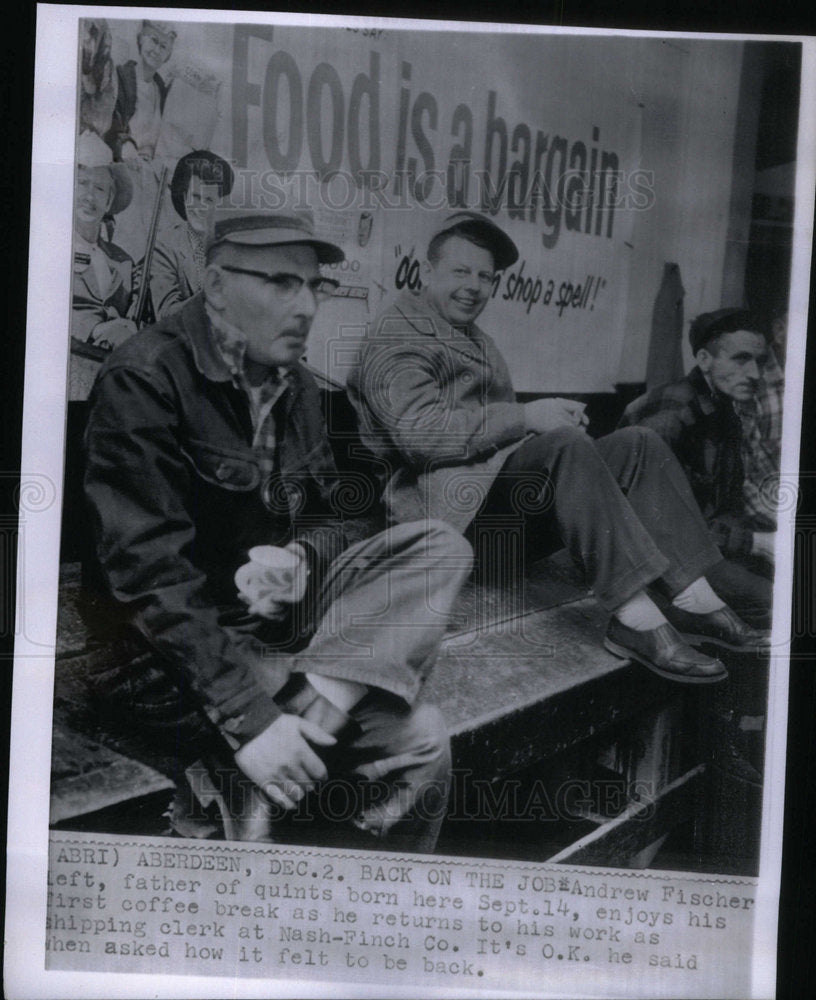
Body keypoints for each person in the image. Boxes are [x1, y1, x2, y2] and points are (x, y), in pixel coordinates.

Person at [82, 204, 472, 850]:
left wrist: (301, 556)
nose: (305, 305)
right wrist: (252, 721)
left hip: (271, 637)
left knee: (439, 546)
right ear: (214, 285)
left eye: (314, 285)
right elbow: (149, 580)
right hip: (156, 657)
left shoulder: (297, 387)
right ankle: (274, 741)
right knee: (422, 734)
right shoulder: (144, 380)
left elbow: (352, 513)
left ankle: (311, 713)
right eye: (280, 283)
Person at [346, 211, 769, 686]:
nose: (475, 286)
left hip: (497, 517)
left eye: (486, 276)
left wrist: (542, 429)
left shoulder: (476, 340)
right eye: (461, 272)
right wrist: (528, 418)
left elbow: (501, 444)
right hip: (444, 529)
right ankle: (637, 622)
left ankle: (694, 600)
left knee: (638, 443)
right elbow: (419, 435)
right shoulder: (395, 336)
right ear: (427, 272)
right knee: (564, 445)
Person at [620, 308, 778, 626]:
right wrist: (756, 544)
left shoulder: (727, 411)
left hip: (698, 548)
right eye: (740, 359)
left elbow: (726, 508)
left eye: (759, 362)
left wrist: (758, 542)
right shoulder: (670, 413)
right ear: (704, 360)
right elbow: (655, 528)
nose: (755, 374)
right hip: (650, 561)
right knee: (777, 602)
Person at [70, 131, 137, 401]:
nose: (89, 196)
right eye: (82, 184)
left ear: (109, 201)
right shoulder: (47, 246)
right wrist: (96, 329)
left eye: (99, 189)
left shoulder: (123, 261)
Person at [150, 150, 235, 319]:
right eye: (195, 197)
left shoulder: (228, 247)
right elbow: (167, 314)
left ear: (219, 204)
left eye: (209, 200)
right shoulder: (164, 247)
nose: (201, 207)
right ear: (183, 196)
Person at [104, 19, 176, 162]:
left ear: (168, 55)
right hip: (124, 161)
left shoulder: (161, 90)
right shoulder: (121, 76)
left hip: (153, 167)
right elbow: (110, 126)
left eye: (163, 47)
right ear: (141, 40)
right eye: (154, 41)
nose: (157, 50)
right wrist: (125, 145)